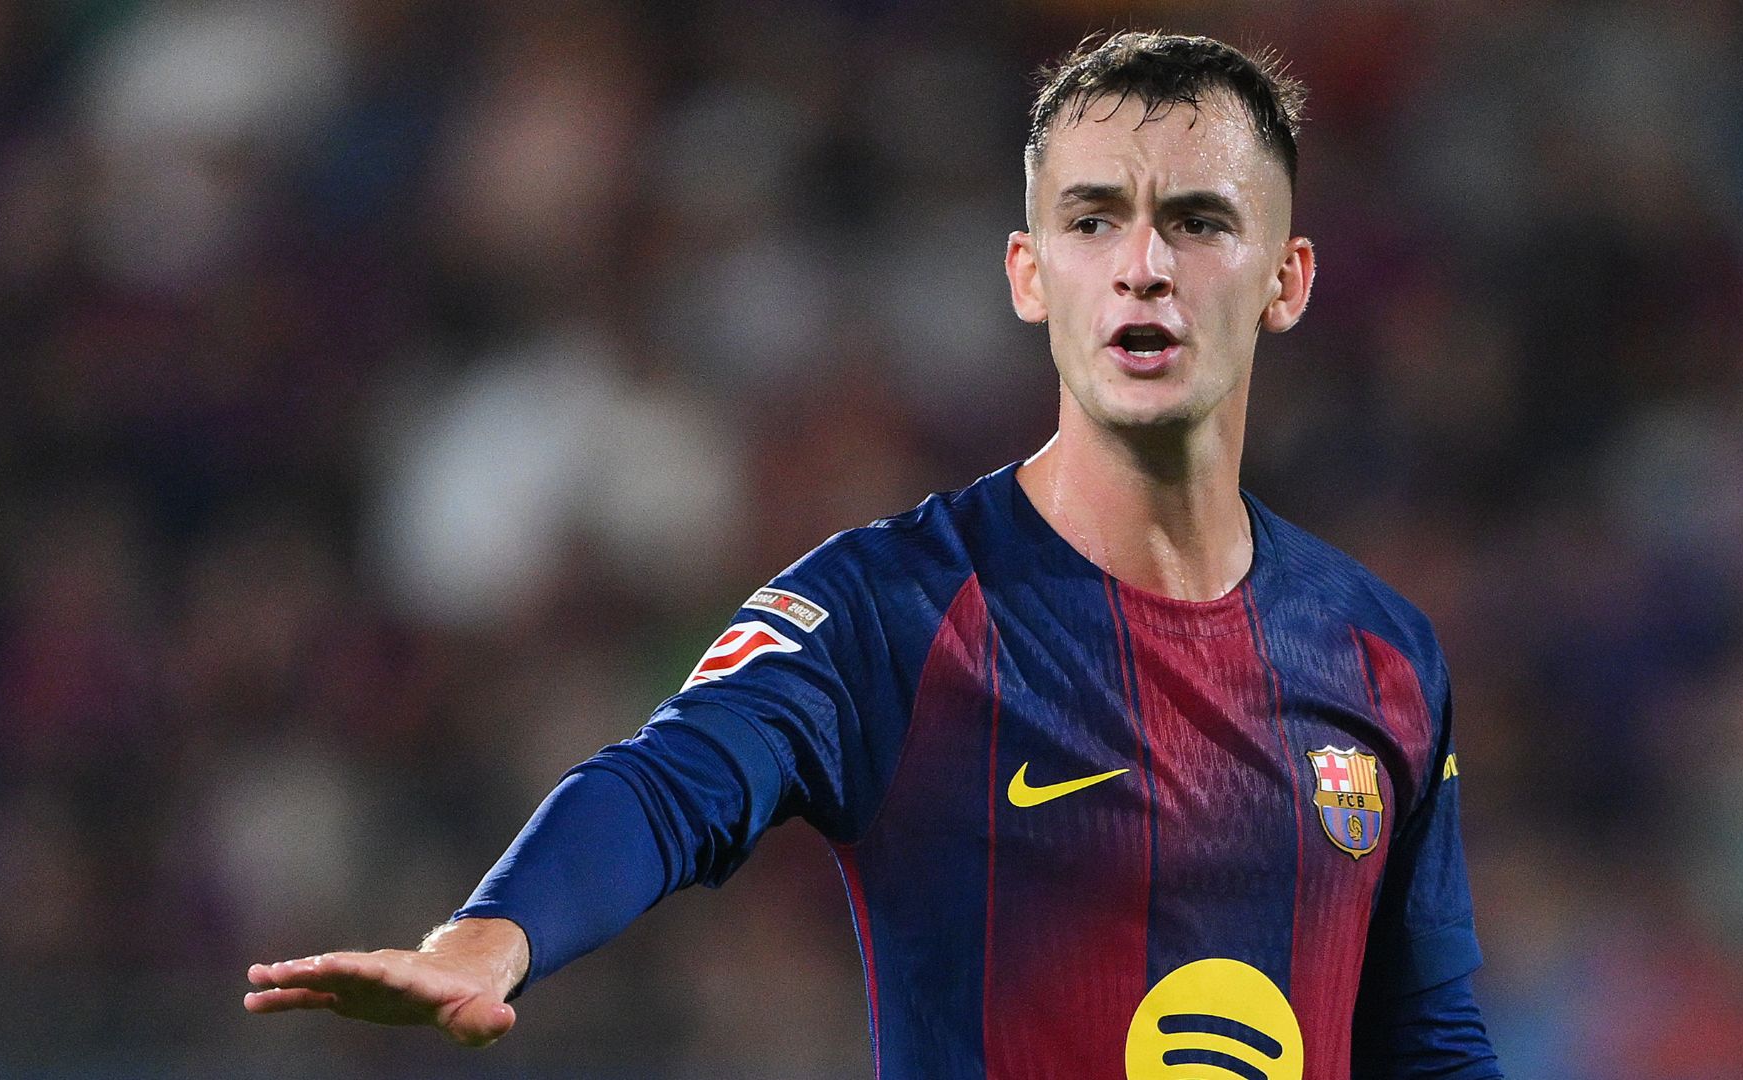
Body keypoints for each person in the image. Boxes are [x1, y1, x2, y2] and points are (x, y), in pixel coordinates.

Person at [246, 31, 1504, 1080]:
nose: (1142, 268)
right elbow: (671, 781)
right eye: (1092, 219)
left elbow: (1427, 1034)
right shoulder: (894, 608)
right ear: (1029, 275)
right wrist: (493, 934)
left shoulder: (1379, 651)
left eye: (1197, 221)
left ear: (1286, 282)